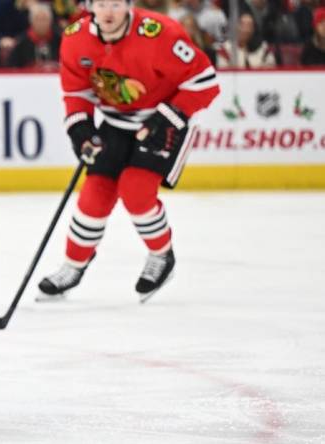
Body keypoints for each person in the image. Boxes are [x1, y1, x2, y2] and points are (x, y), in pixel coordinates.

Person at [38, 0, 219, 301]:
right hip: (115, 121)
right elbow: (76, 93)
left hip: (165, 119)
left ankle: (162, 256)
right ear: (90, 6)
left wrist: (166, 117)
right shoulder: (75, 37)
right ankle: (74, 264)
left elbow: (205, 83)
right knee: (94, 195)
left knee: (136, 191)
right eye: (102, 4)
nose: (109, 11)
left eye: (116, 4)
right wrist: (81, 129)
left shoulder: (160, 34)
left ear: (129, 6)